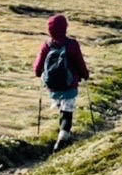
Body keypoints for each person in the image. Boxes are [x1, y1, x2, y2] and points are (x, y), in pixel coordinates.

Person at [33, 14, 90, 150]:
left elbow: (37, 68)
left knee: (62, 109)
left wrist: (40, 74)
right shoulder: (72, 45)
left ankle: (62, 131)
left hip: (53, 87)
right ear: (65, 28)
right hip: (69, 86)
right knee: (67, 112)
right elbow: (80, 64)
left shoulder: (46, 45)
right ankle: (62, 137)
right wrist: (85, 75)